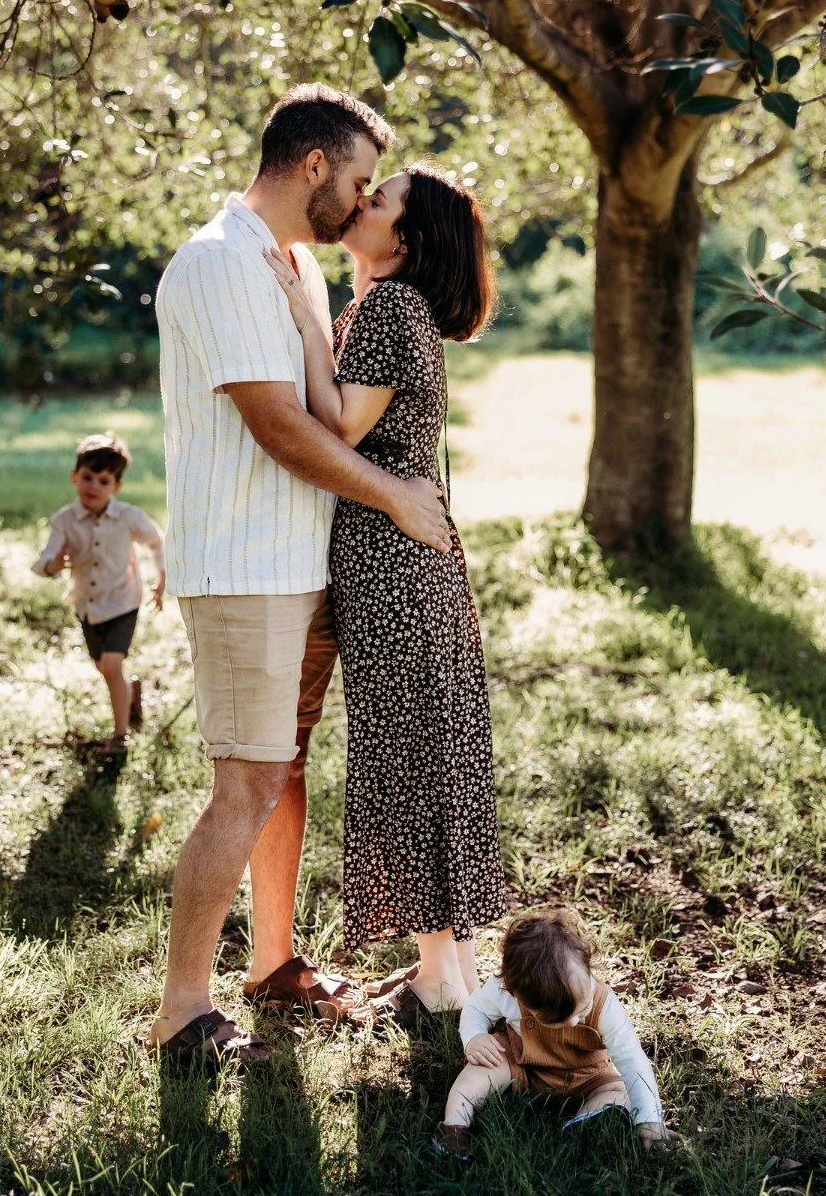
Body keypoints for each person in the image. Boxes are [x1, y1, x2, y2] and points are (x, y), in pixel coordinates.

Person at [148, 85, 452, 1066]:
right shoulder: (220, 262)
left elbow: (328, 411)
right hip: (244, 566)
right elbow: (279, 426)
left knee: (283, 774)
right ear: (313, 166)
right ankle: (182, 1011)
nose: (361, 202)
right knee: (243, 783)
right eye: (358, 180)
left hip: (302, 564)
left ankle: (274, 966)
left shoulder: (296, 271)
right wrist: (394, 498)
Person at [266, 162, 507, 1028]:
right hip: (410, 566)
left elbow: (335, 426)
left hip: (394, 570)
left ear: (403, 239)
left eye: (378, 199)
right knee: (427, 754)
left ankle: (444, 972)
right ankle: (448, 966)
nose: (360, 204)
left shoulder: (391, 308)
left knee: (409, 757)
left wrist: (299, 315)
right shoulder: (385, 309)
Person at [434, 908, 670, 1158]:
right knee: (479, 1070)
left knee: (620, 1092)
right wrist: (475, 1037)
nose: (574, 1021)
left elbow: (632, 1059)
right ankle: (455, 1126)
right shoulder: (504, 992)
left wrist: (650, 1120)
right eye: (557, 1019)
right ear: (518, 994)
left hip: (587, 1076)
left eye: (582, 1011)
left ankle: (584, 1121)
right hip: (522, 1064)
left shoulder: (605, 1005)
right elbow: (475, 1008)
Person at [32, 432, 165, 754]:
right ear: (75, 476)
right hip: (87, 606)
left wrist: (162, 578)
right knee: (103, 666)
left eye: (103, 481)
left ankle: (120, 737)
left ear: (116, 486)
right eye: (88, 477)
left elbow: (156, 541)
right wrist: (55, 564)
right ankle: (130, 692)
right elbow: (43, 561)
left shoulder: (128, 516)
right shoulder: (65, 520)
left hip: (122, 602)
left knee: (110, 666)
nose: (93, 486)